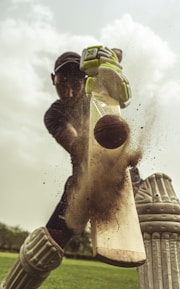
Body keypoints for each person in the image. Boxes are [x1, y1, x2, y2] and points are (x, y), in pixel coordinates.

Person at [0, 46, 131, 289]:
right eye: (62, 83)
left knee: (161, 219)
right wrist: (90, 137)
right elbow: (73, 144)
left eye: (76, 84)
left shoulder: (98, 96)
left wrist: (110, 57)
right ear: (53, 79)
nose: (69, 91)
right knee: (45, 246)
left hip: (123, 176)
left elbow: (118, 52)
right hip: (82, 184)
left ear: (85, 80)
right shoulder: (55, 113)